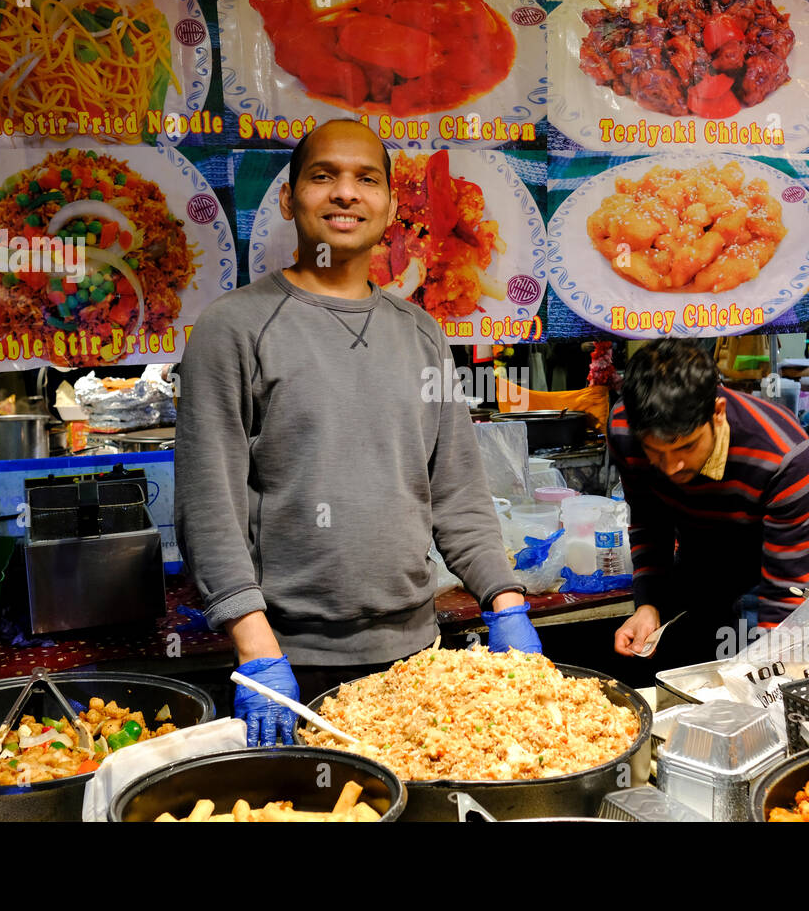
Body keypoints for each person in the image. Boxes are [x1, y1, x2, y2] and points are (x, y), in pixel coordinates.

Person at [174, 120, 540, 746]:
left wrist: (505, 602)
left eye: (366, 179)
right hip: (290, 663)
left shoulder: (422, 332)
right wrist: (258, 652)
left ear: (392, 206)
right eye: (323, 177)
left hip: (419, 656)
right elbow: (210, 507)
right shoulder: (233, 328)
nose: (346, 193)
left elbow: (457, 495)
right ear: (289, 199)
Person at [609, 339, 809, 665]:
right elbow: (649, 520)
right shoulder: (626, 430)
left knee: (773, 679)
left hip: (777, 568)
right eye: (656, 453)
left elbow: (784, 594)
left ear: (718, 412)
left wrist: (768, 666)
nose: (670, 468)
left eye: (685, 448)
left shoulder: (782, 453)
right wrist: (648, 604)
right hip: (700, 559)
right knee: (700, 681)